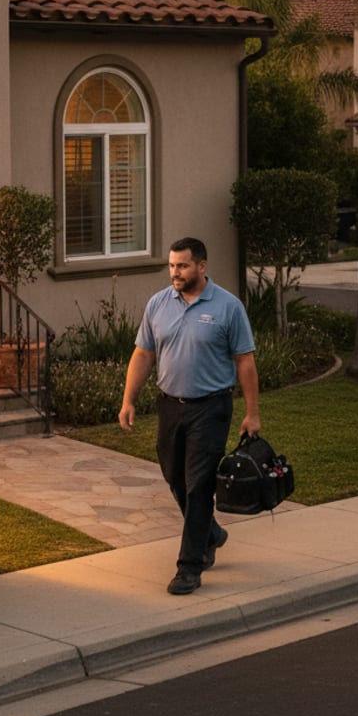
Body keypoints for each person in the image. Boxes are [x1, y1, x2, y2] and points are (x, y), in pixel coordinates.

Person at [119, 237, 260, 595]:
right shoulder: (158, 303)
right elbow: (143, 354)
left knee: (198, 486)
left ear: (201, 266)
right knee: (174, 477)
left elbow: (245, 361)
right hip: (170, 406)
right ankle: (210, 532)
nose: (175, 273)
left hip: (211, 408)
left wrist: (252, 413)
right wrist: (128, 400)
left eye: (182, 266)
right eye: (171, 266)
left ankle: (190, 567)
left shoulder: (228, 307)